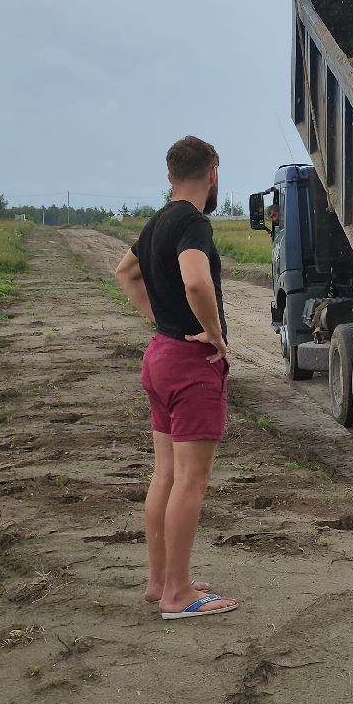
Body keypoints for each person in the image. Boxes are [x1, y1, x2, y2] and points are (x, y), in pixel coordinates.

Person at [113, 135, 238, 619]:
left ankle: (160, 581)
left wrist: (159, 319)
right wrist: (213, 333)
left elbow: (124, 272)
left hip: (160, 356)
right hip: (191, 364)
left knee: (164, 475)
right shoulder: (193, 223)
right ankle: (179, 595)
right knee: (192, 480)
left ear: (170, 175)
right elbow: (195, 279)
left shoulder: (157, 221)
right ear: (212, 174)